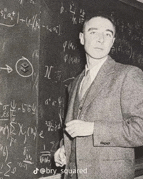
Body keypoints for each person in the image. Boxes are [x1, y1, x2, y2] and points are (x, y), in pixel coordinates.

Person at [54, 12, 143, 179]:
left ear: (112, 42)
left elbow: (141, 129)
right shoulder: (75, 83)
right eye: (93, 32)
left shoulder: (128, 75)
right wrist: (64, 148)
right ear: (82, 38)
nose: (101, 39)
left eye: (107, 34)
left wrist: (94, 128)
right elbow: (75, 126)